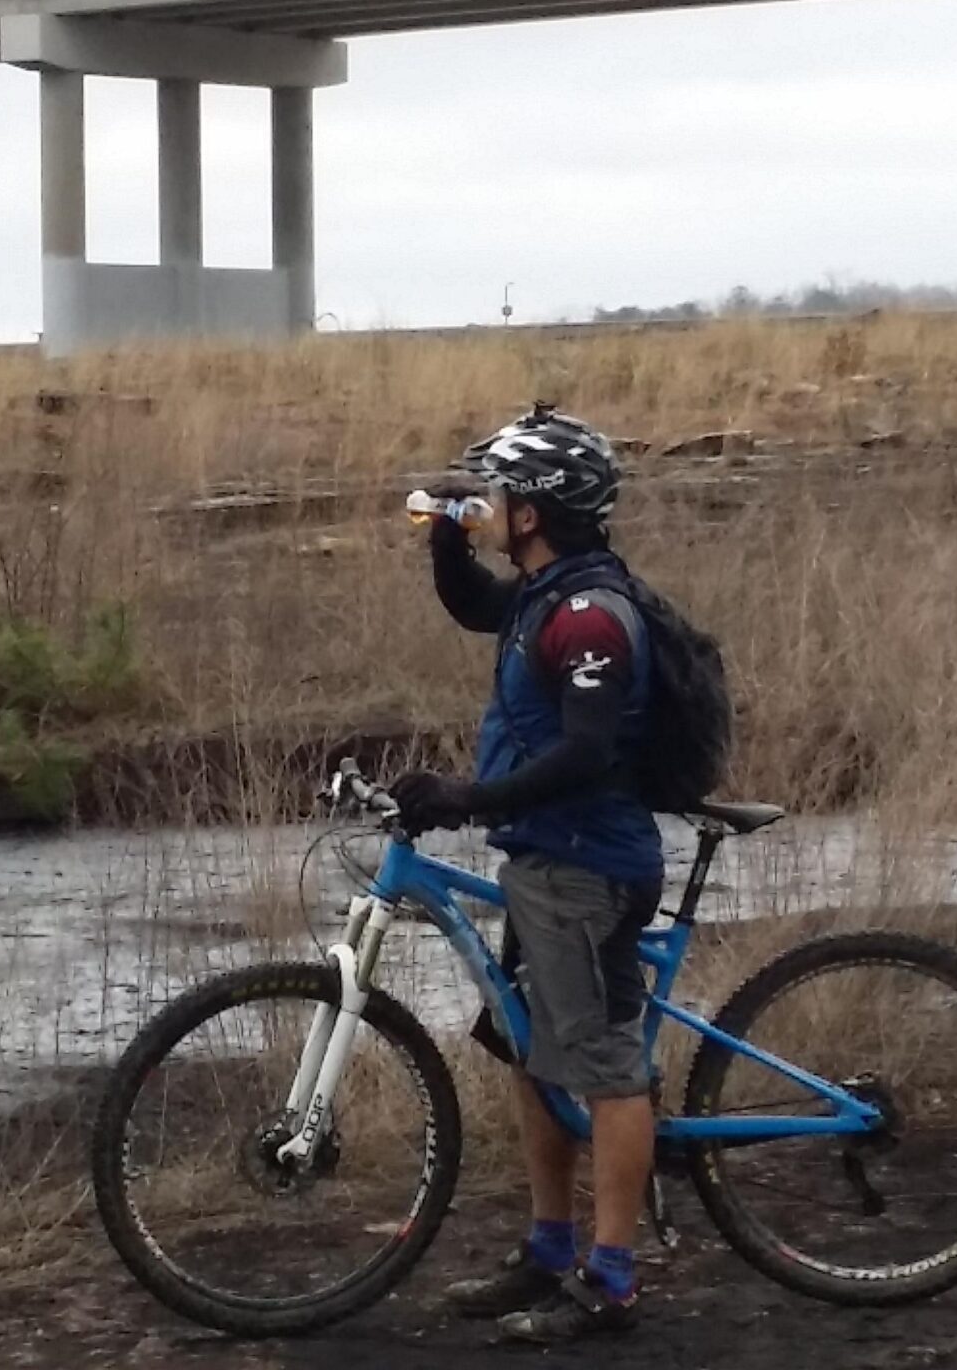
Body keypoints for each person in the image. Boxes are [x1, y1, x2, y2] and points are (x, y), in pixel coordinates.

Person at [391, 405, 661, 1344]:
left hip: (588, 868)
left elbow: (588, 754)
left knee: (608, 1068)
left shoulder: (590, 616)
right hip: (544, 862)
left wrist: (471, 798)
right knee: (528, 1052)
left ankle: (613, 1275)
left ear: (535, 513)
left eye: (498, 496)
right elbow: (474, 606)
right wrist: (442, 535)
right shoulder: (544, 594)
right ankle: (549, 1251)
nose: (488, 508)